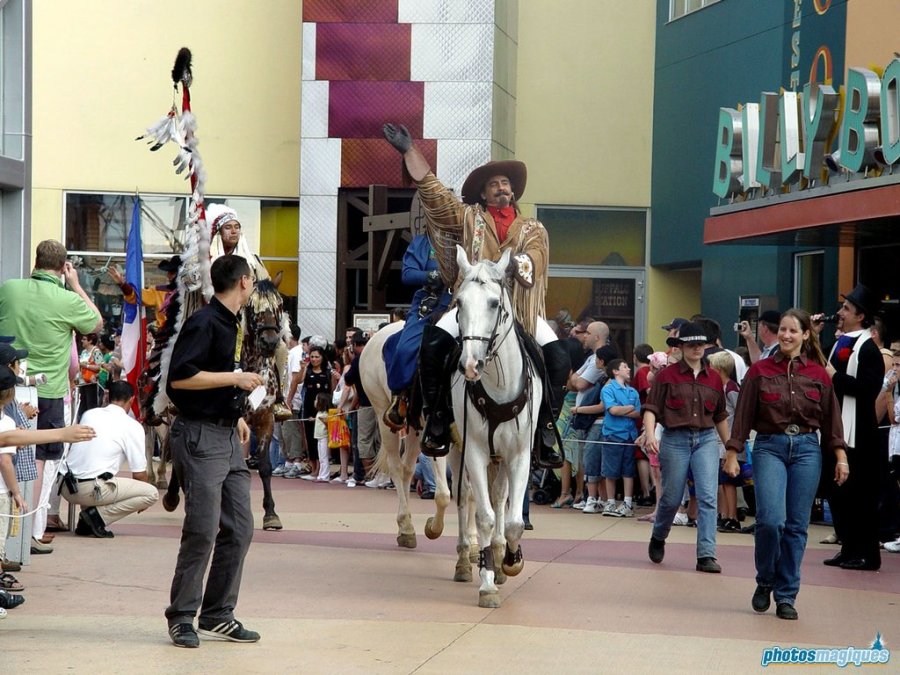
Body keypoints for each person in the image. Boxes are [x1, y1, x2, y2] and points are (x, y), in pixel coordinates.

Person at [383, 123, 570, 468]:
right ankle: (437, 419)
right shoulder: (469, 218)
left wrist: (518, 263)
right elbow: (437, 197)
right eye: (494, 184)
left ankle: (545, 427)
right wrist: (411, 152)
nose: (502, 188)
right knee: (434, 343)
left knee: (559, 356)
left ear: (513, 193)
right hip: (471, 308)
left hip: (519, 311)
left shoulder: (533, 228)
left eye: (506, 184)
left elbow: (538, 257)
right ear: (483, 194)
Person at [163, 255, 264, 648]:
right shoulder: (205, 321)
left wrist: (234, 409)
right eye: (252, 278)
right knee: (202, 530)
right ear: (242, 281)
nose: (253, 284)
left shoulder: (232, 321)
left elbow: (212, 381)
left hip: (225, 435)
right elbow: (180, 379)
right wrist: (234, 379)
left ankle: (218, 613)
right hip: (200, 438)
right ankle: (182, 615)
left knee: (240, 528)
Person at [726, 309, 848, 620]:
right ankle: (765, 578)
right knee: (771, 521)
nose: (786, 335)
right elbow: (742, 415)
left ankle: (786, 595)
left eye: (793, 330)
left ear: (806, 334)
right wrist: (733, 452)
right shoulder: (760, 371)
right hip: (769, 446)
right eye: (782, 329)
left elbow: (832, 418)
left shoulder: (819, 374)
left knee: (796, 526)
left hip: (808, 449)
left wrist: (840, 455)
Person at [0, 240, 103, 552]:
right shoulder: (67, 298)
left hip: (9, 384)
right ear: (62, 267)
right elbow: (96, 322)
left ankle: (13, 538)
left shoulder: (9, 289)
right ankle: (30, 530)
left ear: (35, 262)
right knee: (42, 459)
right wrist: (75, 284)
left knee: (7, 451)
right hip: (49, 391)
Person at [643, 321, 729, 574]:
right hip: (675, 438)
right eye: (691, 344)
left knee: (708, 496)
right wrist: (650, 435)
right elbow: (651, 409)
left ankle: (706, 554)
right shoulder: (666, 376)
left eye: (701, 344)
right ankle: (659, 535)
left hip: (706, 439)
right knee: (670, 498)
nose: (696, 348)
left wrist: (731, 448)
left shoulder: (714, 378)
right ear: (680, 347)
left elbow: (720, 415)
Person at [815, 284, 885, 571]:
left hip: (859, 433)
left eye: (847, 308)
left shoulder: (868, 348)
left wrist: (835, 377)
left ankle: (867, 553)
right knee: (839, 493)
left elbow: (868, 390)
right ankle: (848, 547)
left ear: (861, 315)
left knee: (859, 495)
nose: (840, 313)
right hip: (838, 427)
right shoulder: (843, 342)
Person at [60, 381, 160, 538]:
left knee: (99, 472)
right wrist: (141, 500)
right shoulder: (132, 426)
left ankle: (88, 519)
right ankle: (96, 518)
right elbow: (140, 474)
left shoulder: (89, 414)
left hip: (67, 487)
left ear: (107, 396)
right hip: (92, 489)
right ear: (132, 400)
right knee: (151, 493)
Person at [383, 233, 452, 430]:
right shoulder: (425, 241)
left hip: (469, 301)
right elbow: (408, 274)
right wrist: (435, 276)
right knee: (404, 348)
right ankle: (400, 398)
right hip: (432, 304)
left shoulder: (475, 233)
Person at [599, 359, 641, 517]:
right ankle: (610, 502)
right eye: (625, 367)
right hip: (613, 434)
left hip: (630, 436)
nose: (629, 369)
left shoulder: (633, 391)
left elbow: (638, 412)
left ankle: (627, 503)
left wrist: (624, 409)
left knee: (628, 470)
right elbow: (613, 410)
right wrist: (629, 408)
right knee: (610, 470)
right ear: (615, 371)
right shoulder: (608, 389)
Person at [312, 392, 332, 483]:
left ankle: (325, 476)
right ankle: (321, 475)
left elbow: (328, 424)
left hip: (324, 437)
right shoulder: (319, 413)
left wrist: (325, 421)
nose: (315, 401)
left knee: (324, 457)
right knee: (321, 458)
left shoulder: (325, 414)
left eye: (316, 400)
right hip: (319, 438)